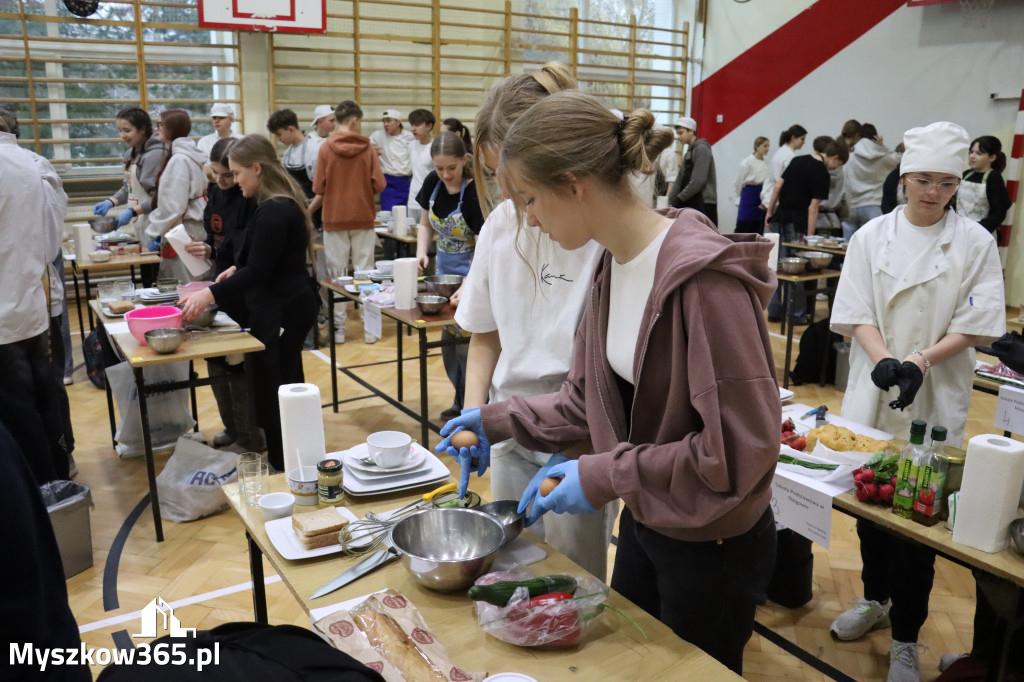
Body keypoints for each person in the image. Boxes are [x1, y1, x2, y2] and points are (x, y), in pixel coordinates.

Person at [439, 91, 779, 675]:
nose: (529, 220)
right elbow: (584, 401)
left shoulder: (704, 284)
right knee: (632, 664)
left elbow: (736, 454)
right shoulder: (611, 264)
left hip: (712, 543)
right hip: (650, 518)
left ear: (573, 185)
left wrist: (602, 474)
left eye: (529, 199)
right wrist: (495, 420)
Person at [829, 121, 1005, 682]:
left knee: (918, 514)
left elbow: (978, 322)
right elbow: (855, 309)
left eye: (947, 183)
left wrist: (919, 362)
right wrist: (885, 360)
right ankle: (874, 600)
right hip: (874, 385)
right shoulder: (871, 236)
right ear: (904, 178)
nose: (934, 192)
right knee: (869, 502)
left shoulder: (973, 242)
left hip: (935, 392)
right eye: (924, 180)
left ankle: (906, 637)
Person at [457, 62, 617, 580]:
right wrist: (473, 417)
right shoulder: (501, 226)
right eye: (495, 178)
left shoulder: (600, 232)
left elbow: (612, 378)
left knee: (571, 584)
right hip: (510, 429)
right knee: (515, 573)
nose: (509, 197)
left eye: (518, 184)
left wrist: (576, 451)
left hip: (578, 436)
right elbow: (485, 334)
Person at [179, 135, 318, 473]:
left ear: (256, 168)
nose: (234, 180)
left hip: (284, 308)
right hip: (282, 303)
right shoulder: (271, 204)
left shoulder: (274, 209)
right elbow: (263, 261)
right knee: (278, 385)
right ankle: (287, 460)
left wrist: (209, 293)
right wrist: (234, 269)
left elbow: (259, 271)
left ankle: (286, 466)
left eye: (237, 173)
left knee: (277, 388)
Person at [0, 118, 70, 483]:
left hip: (10, 312)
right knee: (44, 398)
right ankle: (58, 479)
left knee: (19, 412)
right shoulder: (33, 164)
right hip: (33, 303)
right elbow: (50, 242)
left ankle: (41, 490)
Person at [184, 138, 263, 453]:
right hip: (220, 281)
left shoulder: (250, 197)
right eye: (216, 173)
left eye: (229, 174)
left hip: (241, 284)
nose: (223, 180)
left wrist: (217, 254)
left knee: (240, 363)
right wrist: (206, 248)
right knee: (217, 359)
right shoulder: (216, 192)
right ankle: (232, 427)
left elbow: (244, 250)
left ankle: (250, 435)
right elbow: (215, 237)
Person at [414, 131, 486, 420]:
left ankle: (474, 408)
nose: (445, 174)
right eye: (439, 167)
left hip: (473, 278)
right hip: (444, 278)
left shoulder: (474, 192)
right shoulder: (433, 183)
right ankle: (459, 400)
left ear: (465, 160)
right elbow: (424, 224)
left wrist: (469, 284)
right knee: (450, 348)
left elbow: (483, 246)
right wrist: (422, 253)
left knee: (469, 349)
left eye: (451, 168)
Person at [310, 101, 386, 344]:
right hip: (363, 217)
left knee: (337, 274)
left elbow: (318, 186)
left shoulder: (325, 148)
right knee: (365, 272)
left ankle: (339, 330)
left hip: (334, 218)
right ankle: (370, 329)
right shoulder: (368, 149)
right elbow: (380, 184)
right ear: (355, 121)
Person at [765, 135, 845, 325]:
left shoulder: (797, 159)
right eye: (838, 164)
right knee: (796, 270)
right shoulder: (822, 173)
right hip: (797, 223)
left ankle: (774, 310)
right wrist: (810, 236)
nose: (835, 168)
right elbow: (813, 207)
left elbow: (777, 187)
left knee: (776, 267)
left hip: (779, 217)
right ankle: (796, 314)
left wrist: (769, 211)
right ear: (834, 157)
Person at [146, 109, 209, 283]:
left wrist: (154, 231)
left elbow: (173, 206)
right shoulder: (189, 156)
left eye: (160, 124)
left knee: (183, 284)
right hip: (193, 226)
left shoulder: (179, 159)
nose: (156, 128)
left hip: (182, 230)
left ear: (171, 127)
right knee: (196, 280)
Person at [94, 107, 167, 244]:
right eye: (120, 130)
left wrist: (132, 212)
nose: (122, 135)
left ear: (142, 129)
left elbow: (159, 197)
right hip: (140, 220)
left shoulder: (155, 155)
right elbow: (129, 186)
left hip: (155, 221)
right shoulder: (130, 154)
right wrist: (111, 201)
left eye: (127, 131)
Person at [842, 122, 902, 240]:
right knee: (871, 246)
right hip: (874, 205)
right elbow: (900, 160)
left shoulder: (850, 157)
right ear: (875, 137)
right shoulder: (883, 157)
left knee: (848, 247)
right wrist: (882, 147)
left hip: (851, 206)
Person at [370, 108, 414, 260]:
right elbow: (365, 146)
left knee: (404, 223)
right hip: (388, 184)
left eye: (389, 121)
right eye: (384, 121)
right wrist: (372, 150)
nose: (385, 124)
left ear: (398, 122)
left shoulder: (409, 137)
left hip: (405, 183)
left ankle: (404, 257)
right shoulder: (378, 136)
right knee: (389, 222)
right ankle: (388, 257)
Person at [668, 115, 718, 225]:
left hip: (703, 202)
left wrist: (680, 198)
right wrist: (672, 199)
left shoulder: (701, 149)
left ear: (691, 131)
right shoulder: (690, 151)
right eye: (677, 133)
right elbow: (681, 178)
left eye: (681, 133)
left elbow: (698, 181)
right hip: (692, 200)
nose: (679, 137)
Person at [960, 134, 1011, 238]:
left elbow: (999, 212)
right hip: (959, 229)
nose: (972, 156)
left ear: (992, 157)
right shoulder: (965, 174)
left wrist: (977, 231)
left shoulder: (994, 178)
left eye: (979, 153)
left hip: (981, 233)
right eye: (971, 152)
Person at [267, 108, 319, 202]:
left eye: (279, 134)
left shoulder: (314, 150)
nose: (278, 139)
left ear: (290, 129)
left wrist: (309, 209)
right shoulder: (287, 153)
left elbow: (322, 191)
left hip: (315, 205)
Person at [760, 124, 807, 210]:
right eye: (802, 139)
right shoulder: (788, 156)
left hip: (771, 197)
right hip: (776, 199)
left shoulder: (783, 151)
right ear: (793, 138)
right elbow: (788, 182)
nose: (804, 142)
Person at [734, 135, 770, 234]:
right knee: (744, 224)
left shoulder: (766, 164)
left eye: (768, 146)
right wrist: (739, 196)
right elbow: (738, 181)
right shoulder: (747, 162)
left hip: (761, 196)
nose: (767, 148)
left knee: (758, 226)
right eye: (765, 146)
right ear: (757, 147)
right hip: (748, 196)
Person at [407, 108, 436, 225]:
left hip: (431, 201)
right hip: (413, 200)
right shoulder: (411, 145)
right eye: (412, 125)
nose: (413, 128)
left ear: (429, 126)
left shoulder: (436, 146)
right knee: (411, 233)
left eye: (417, 125)